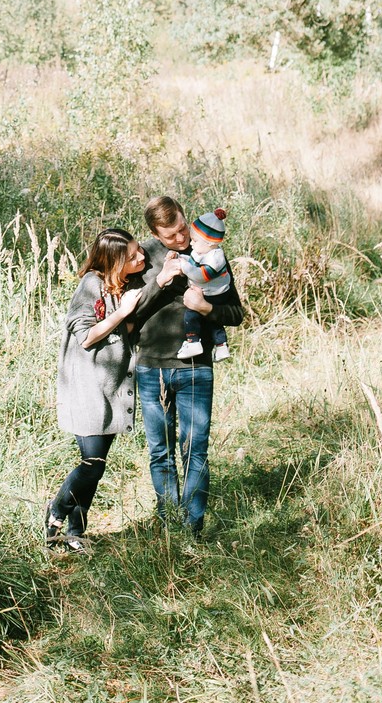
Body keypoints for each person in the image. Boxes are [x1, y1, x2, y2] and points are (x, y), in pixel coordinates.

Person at [132, 195, 244, 537]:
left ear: (185, 217)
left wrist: (207, 309)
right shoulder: (141, 257)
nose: (182, 239)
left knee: (195, 451)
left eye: (183, 229)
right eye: (171, 236)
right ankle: (169, 527)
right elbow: (128, 317)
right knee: (160, 452)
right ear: (155, 234)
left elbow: (236, 313)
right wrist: (160, 281)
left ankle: (192, 529)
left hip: (196, 368)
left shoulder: (209, 251)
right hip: (151, 368)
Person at [46, 227, 147, 551]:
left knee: (97, 465)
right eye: (132, 256)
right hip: (87, 388)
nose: (141, 257)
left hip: (111, 389)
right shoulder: (91, 284)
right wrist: (124, 312)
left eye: (139, 250)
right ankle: (56, 510)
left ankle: (75, 533)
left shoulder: (124, 284)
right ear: (114, 261)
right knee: (92, 464)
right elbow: (86, 336)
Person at [175, 207, 233, 362]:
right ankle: (221, 346)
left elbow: (200, 276)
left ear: (210, 242)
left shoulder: (215, 258)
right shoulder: (203, 251)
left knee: (191, 315)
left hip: (215, 294)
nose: (191, 243)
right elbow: (192, 262)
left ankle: (193, 341)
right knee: (213, 321)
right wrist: (180, 258)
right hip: (212, 292)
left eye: (194, 240)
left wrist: (183, 267)